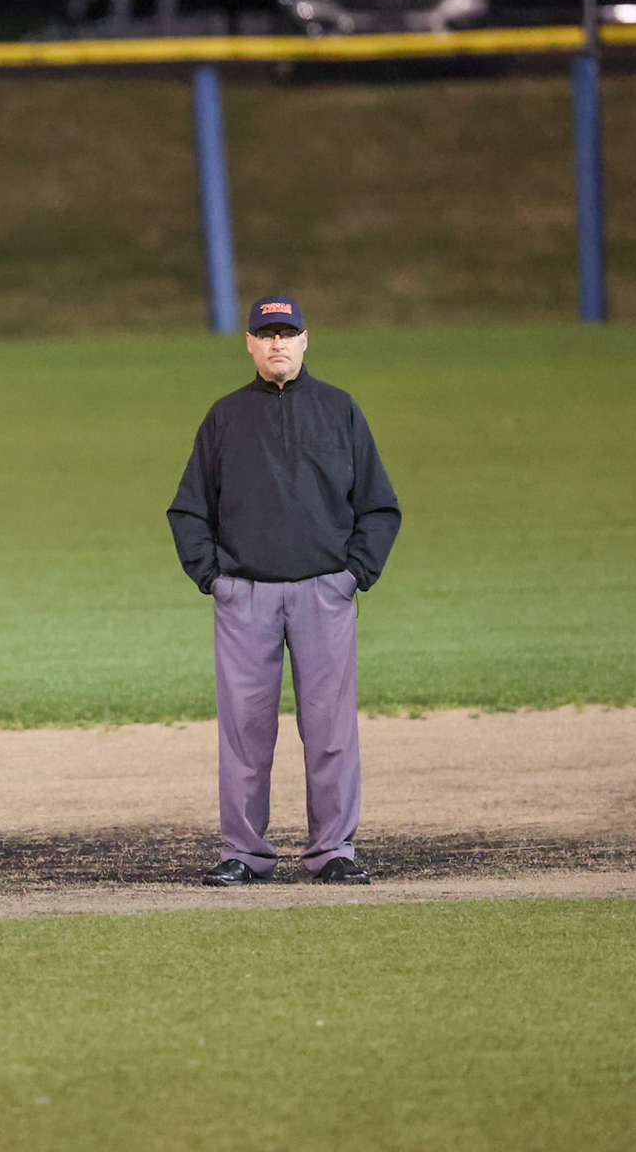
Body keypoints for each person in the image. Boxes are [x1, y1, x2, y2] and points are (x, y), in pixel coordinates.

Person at [167, 296, 401, 886]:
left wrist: (353, 575)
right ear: (248, 343)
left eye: (287, 333)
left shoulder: (339, 410)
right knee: (245, 733)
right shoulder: (224, 417)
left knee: (330, 731)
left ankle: (333, 852)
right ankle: (244, 854)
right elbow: (188, 510)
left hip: (323, 593)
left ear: (305, 340)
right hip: (245, 597)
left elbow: (379, 506)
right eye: (266, 334)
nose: (277, 344)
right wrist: (214, 580)